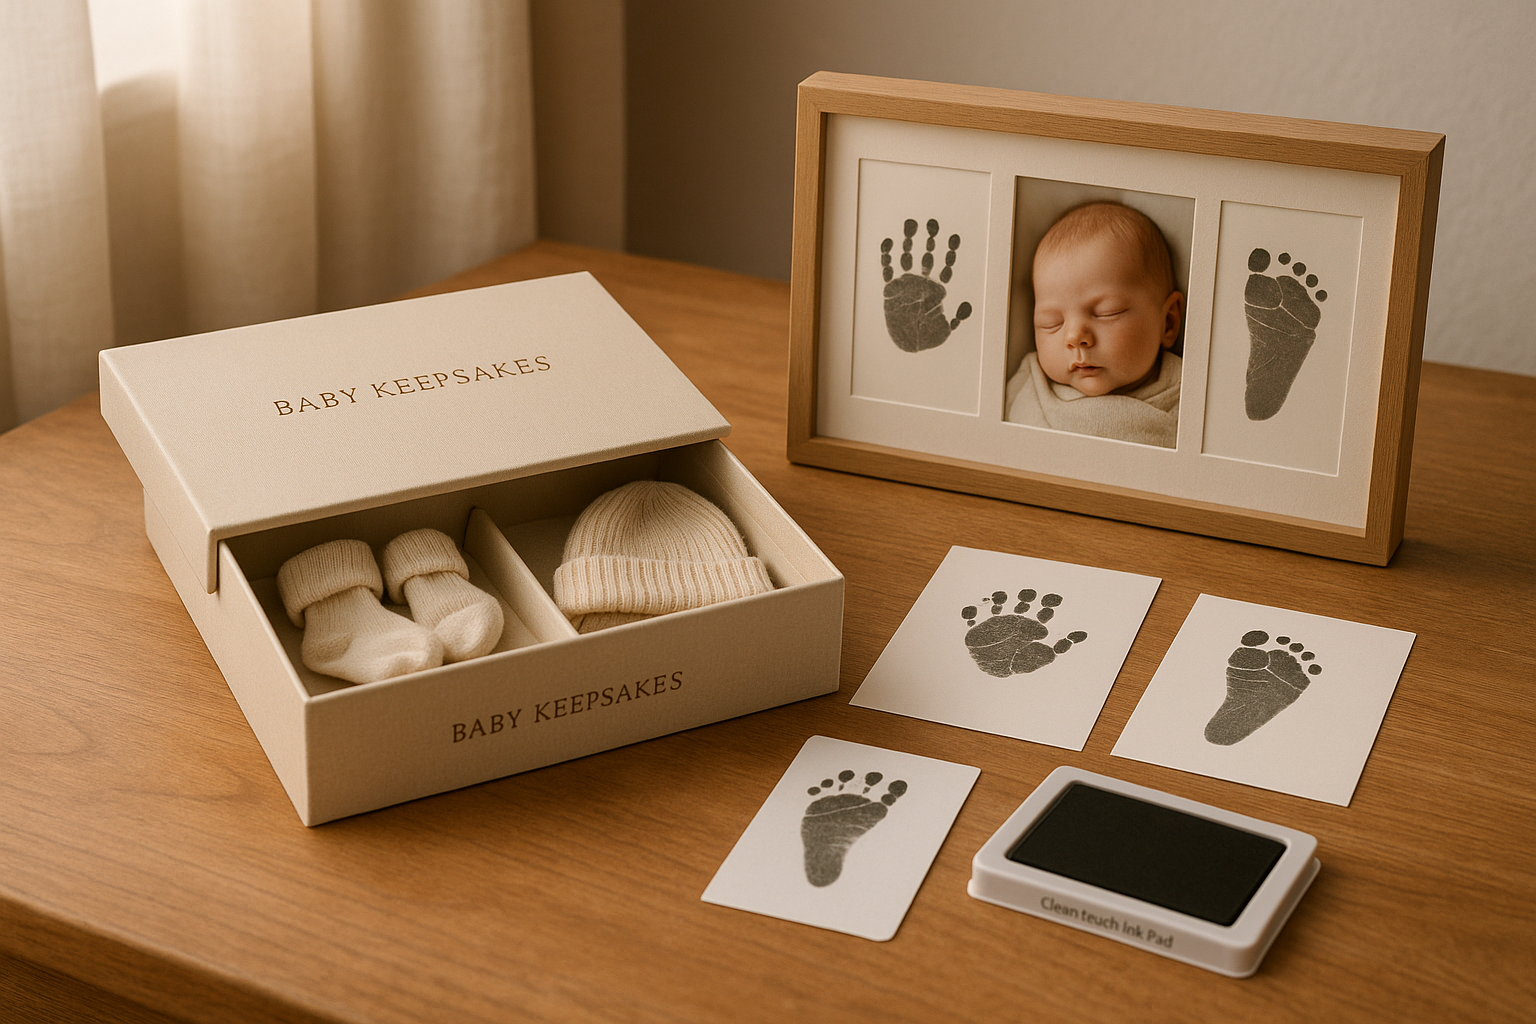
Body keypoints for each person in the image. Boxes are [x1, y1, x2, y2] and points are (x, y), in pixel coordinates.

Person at [1005, 202, 1184, 448]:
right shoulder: (1029, 385)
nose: (1075, 336)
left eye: (1107, 313)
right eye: (1052, 323)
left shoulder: (1190, 393)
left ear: (1168, 322)